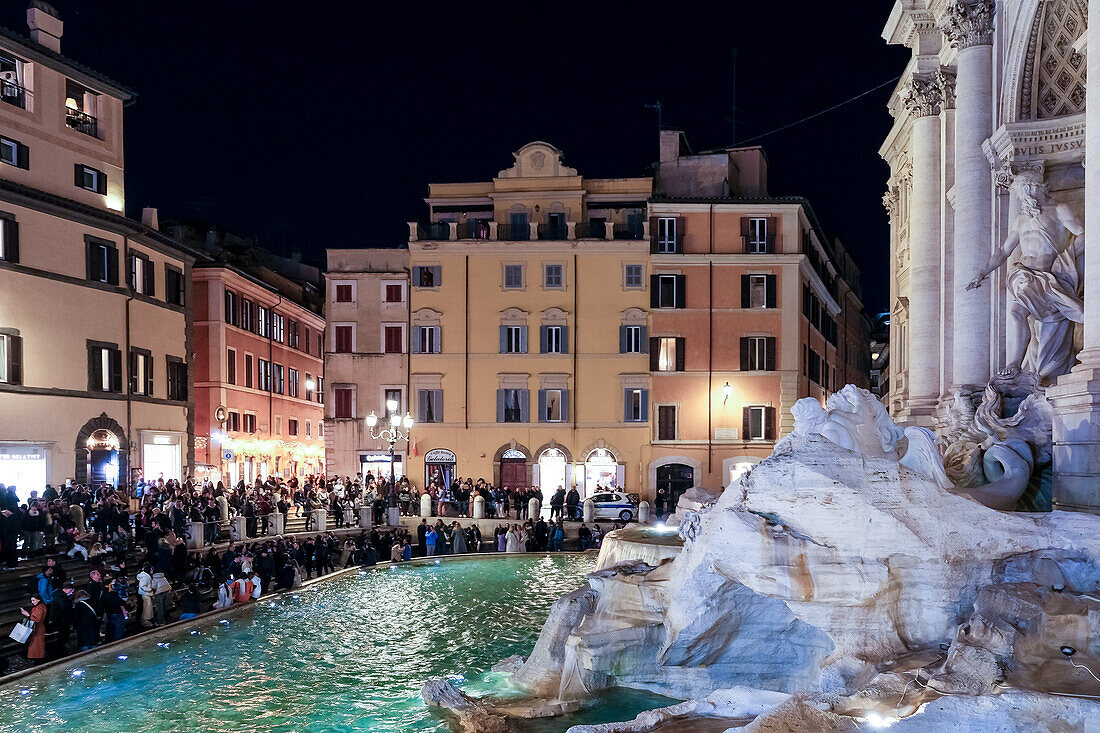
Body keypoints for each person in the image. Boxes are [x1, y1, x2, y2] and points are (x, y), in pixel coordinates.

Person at [20, 593, 48, 663]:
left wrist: (28, 615)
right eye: (31, 601)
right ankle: (36, 658)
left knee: (37, 645)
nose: (32, 602)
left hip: (38, 628)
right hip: (36, 628)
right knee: (35, 644)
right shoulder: (36, 607)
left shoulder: (40, 607)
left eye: (33, 600)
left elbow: (38, 619)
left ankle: (38, 659)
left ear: (38, 600)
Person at [52, 581, 75, 658]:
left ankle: (61, 650)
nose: (72, 592)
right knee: (63, 635)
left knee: (63, 635)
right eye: (71, 590)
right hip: (62, 620)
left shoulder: (60, 595)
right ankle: (60, 651)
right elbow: (64, 608)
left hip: (62, 619)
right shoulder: (61, 597)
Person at [102, 578, 127, 643]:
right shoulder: (112, 594)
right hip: (117, 613)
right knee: (118, 631)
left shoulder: (103, 594)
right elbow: (121, 602)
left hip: (109, 614)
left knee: (111, 629)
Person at [137, 563, 155, 628]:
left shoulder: (146, 576)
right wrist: (149, 589)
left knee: (147, 608)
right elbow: (142, 586)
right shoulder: (145, 577)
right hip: (146, 594)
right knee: (147, 609)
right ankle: (145, 621)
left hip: (146, 594)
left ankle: (146, 620)